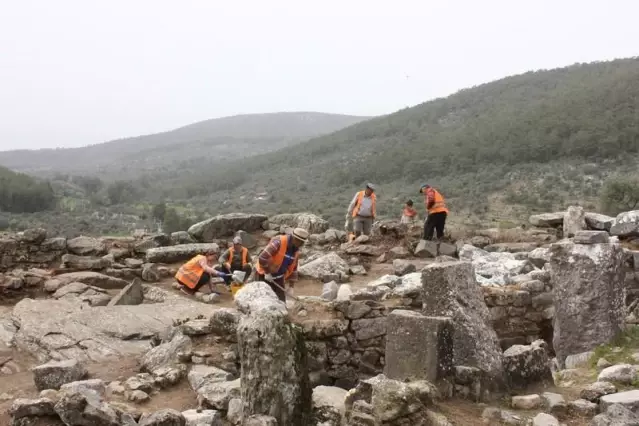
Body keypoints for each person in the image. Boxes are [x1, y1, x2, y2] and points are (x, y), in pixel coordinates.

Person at [254, 227, 308, 302]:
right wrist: (267, 272)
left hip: (279, 277)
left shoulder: (295, 251)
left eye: (302, 242)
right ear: (294, 238)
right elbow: (262, 258)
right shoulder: (279, 242)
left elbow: (294, 269)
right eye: (299, 241)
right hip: (264, 275)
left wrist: (291, 287)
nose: (301, 244)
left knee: (281, 301)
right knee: (264, 300)